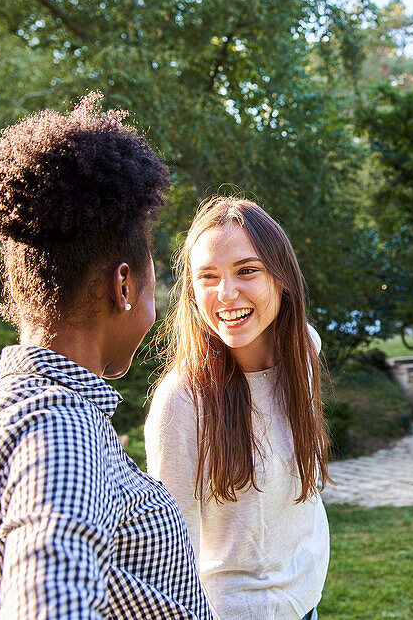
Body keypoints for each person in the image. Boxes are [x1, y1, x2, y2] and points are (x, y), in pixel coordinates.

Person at [0, 94, 212, 620]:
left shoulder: (25, 408)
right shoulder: (62, 427)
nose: (153, 309)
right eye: (152, 285)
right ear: (123, 285)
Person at [145, 196, 329, 620]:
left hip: (307, 601)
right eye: (207, 277)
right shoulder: (182, 402)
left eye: (246, 270)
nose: (226, 294)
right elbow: (170, 549)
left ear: (281, 278)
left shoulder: (305, 350)